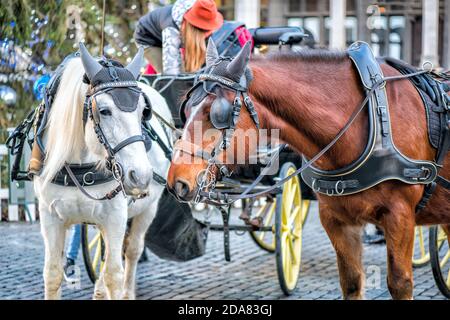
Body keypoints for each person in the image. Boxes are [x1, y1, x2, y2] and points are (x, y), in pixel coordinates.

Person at [134, 0, 252, 75]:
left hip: (172, 30)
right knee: (172, 74)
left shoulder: (201, 6)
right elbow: (172, 75)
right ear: (195, 27)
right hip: (148, 40)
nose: (209, 32)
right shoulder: (171, 31)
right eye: (205, 28)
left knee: (186, 71)